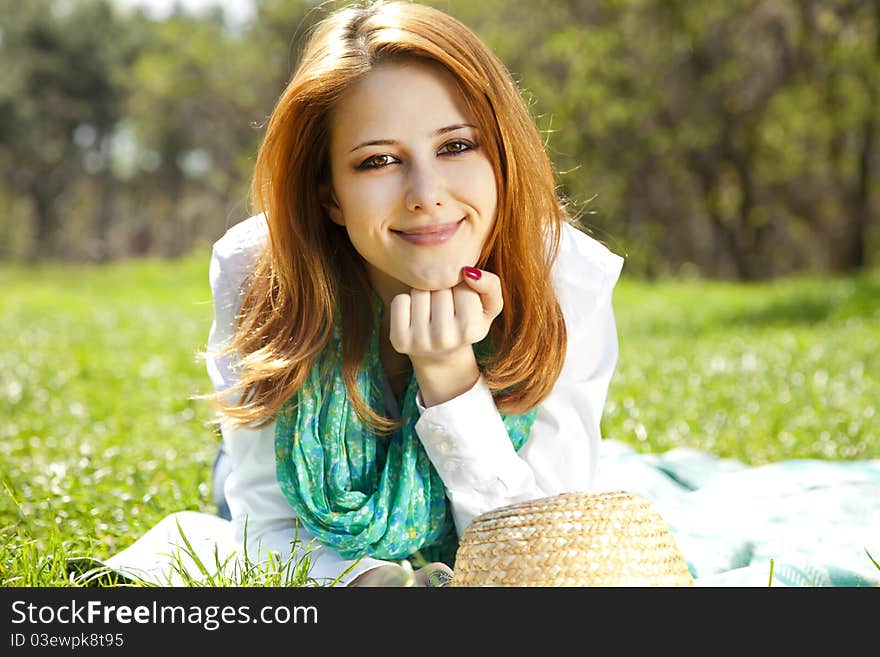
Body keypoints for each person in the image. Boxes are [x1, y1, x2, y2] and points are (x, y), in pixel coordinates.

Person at [95, 0, 624, 588]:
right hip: (297, 494)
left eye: (455, 146)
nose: (426, 194)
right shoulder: (258, 269)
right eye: (378, 161)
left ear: (500, 155)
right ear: (331, 194)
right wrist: (373, 585)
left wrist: (450, 375)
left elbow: (538, 557)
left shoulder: (567, 278)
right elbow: (267, 521)